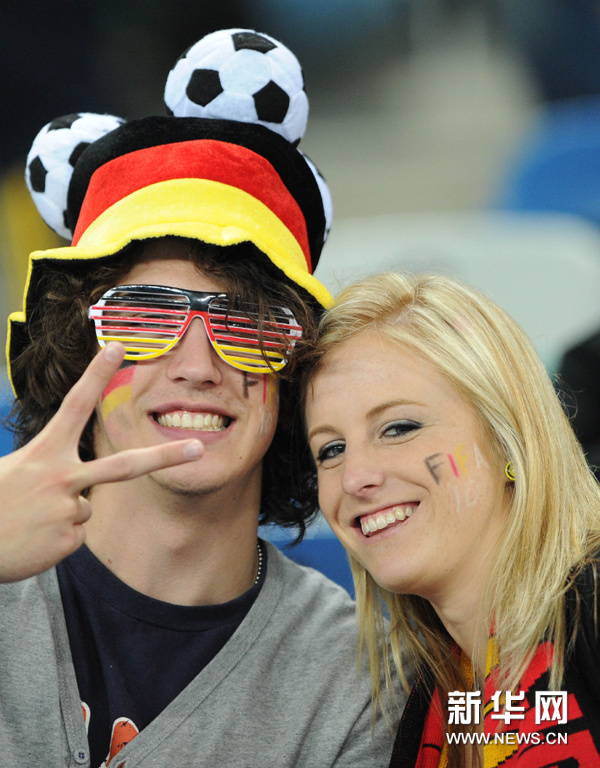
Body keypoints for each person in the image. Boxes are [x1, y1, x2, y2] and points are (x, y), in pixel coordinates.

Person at [0, 28, 399, 768]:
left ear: (296, 376)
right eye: (146, 316)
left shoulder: (359, 684)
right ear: (76, 345)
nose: (198, 365)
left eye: (247, 325)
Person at [303, 271, 600, 767]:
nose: (354, 477)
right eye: (330, 449)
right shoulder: (424, 699)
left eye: (399, 428)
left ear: (508, 438)